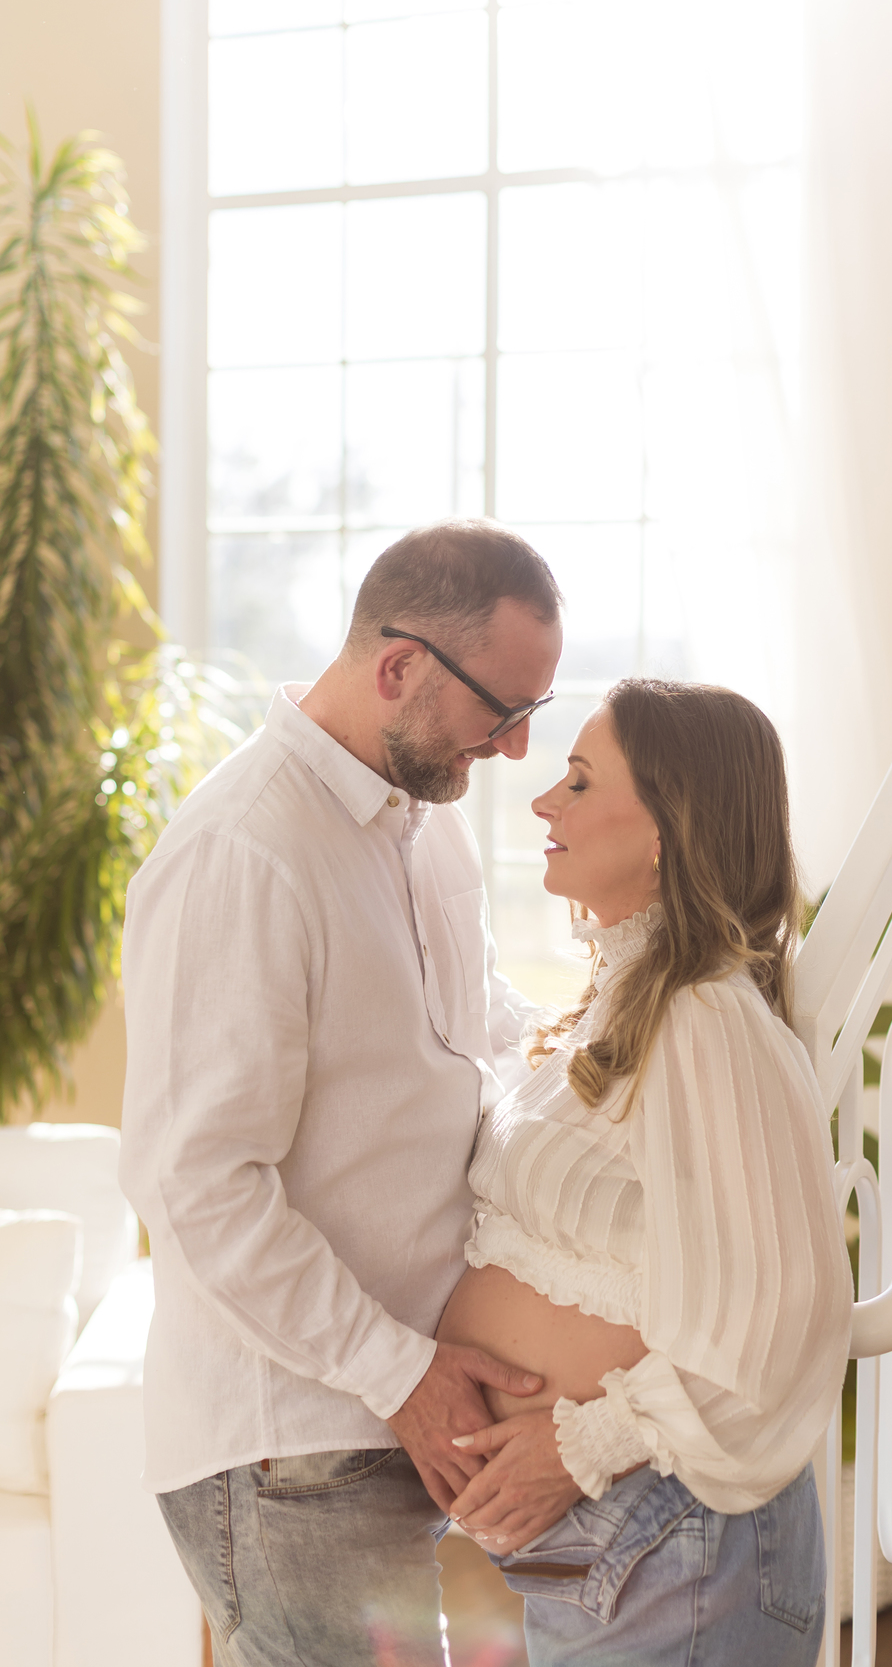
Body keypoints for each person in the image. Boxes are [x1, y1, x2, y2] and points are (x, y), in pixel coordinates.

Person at [119, 520, 563, 1667]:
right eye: (501, 711)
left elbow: (474, 1024)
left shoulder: (427, 826)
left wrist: (609, 1055)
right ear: (400, 667)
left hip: (387, 1416)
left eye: (535, 713)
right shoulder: (243, 853)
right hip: (294, 1446)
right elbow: (199, 1185)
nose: (518, 749)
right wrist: (402, 1373)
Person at [435, 677, 853, 1665]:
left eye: (580, 782)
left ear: (668, 825)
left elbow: (788, 1308)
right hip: (626, 1548)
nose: (546, 802)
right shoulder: (625, 1002)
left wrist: (580, 1444)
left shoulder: (707, 1017)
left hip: (674, 1540)